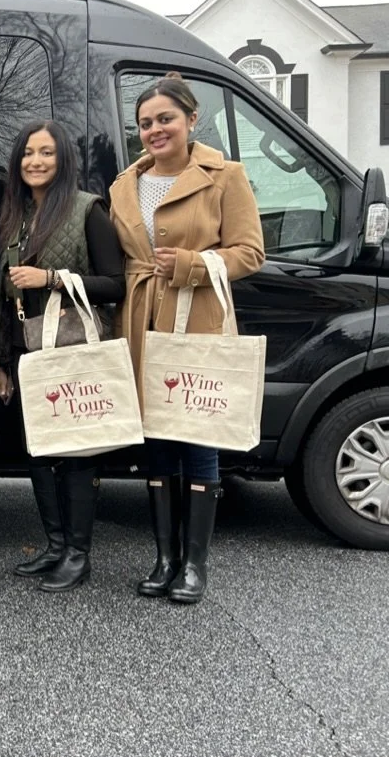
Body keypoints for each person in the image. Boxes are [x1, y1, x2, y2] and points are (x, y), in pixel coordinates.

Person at [109, 73, 264, 604]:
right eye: (146, 123)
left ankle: (195, 564)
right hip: (140, 319)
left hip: (197, 317)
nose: (155, 130)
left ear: (191, 119)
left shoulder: (226, 175)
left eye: (165, 119)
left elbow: (250, 252)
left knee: (197, 433)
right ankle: (164, 557)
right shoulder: (123, 184)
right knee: (155, 441)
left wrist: (196, 264)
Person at [0, 120, 126, 592]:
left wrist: (51, 279)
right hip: (29, 350)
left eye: (46, 153)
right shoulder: (15, 216)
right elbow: (5, 296)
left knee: (78, 452)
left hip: (73, 350)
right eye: (27, 153)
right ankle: (55, 544)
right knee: (39, 451)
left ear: (63, 159)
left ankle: (78, 554)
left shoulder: (88, 210)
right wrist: (0, 362)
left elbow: (115, 283)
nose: (35, 161)